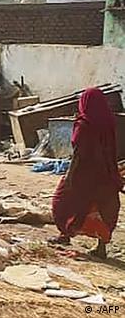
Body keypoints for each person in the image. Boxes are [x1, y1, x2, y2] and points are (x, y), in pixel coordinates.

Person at [50, 88, 123, 258]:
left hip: (84, 173)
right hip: (106, 172)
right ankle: (101, 247)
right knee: (104, 208)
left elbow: (79, 153)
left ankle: (65, 234)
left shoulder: (84, 124)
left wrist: (69, 176)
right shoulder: (109, 122)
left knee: (63, 202)